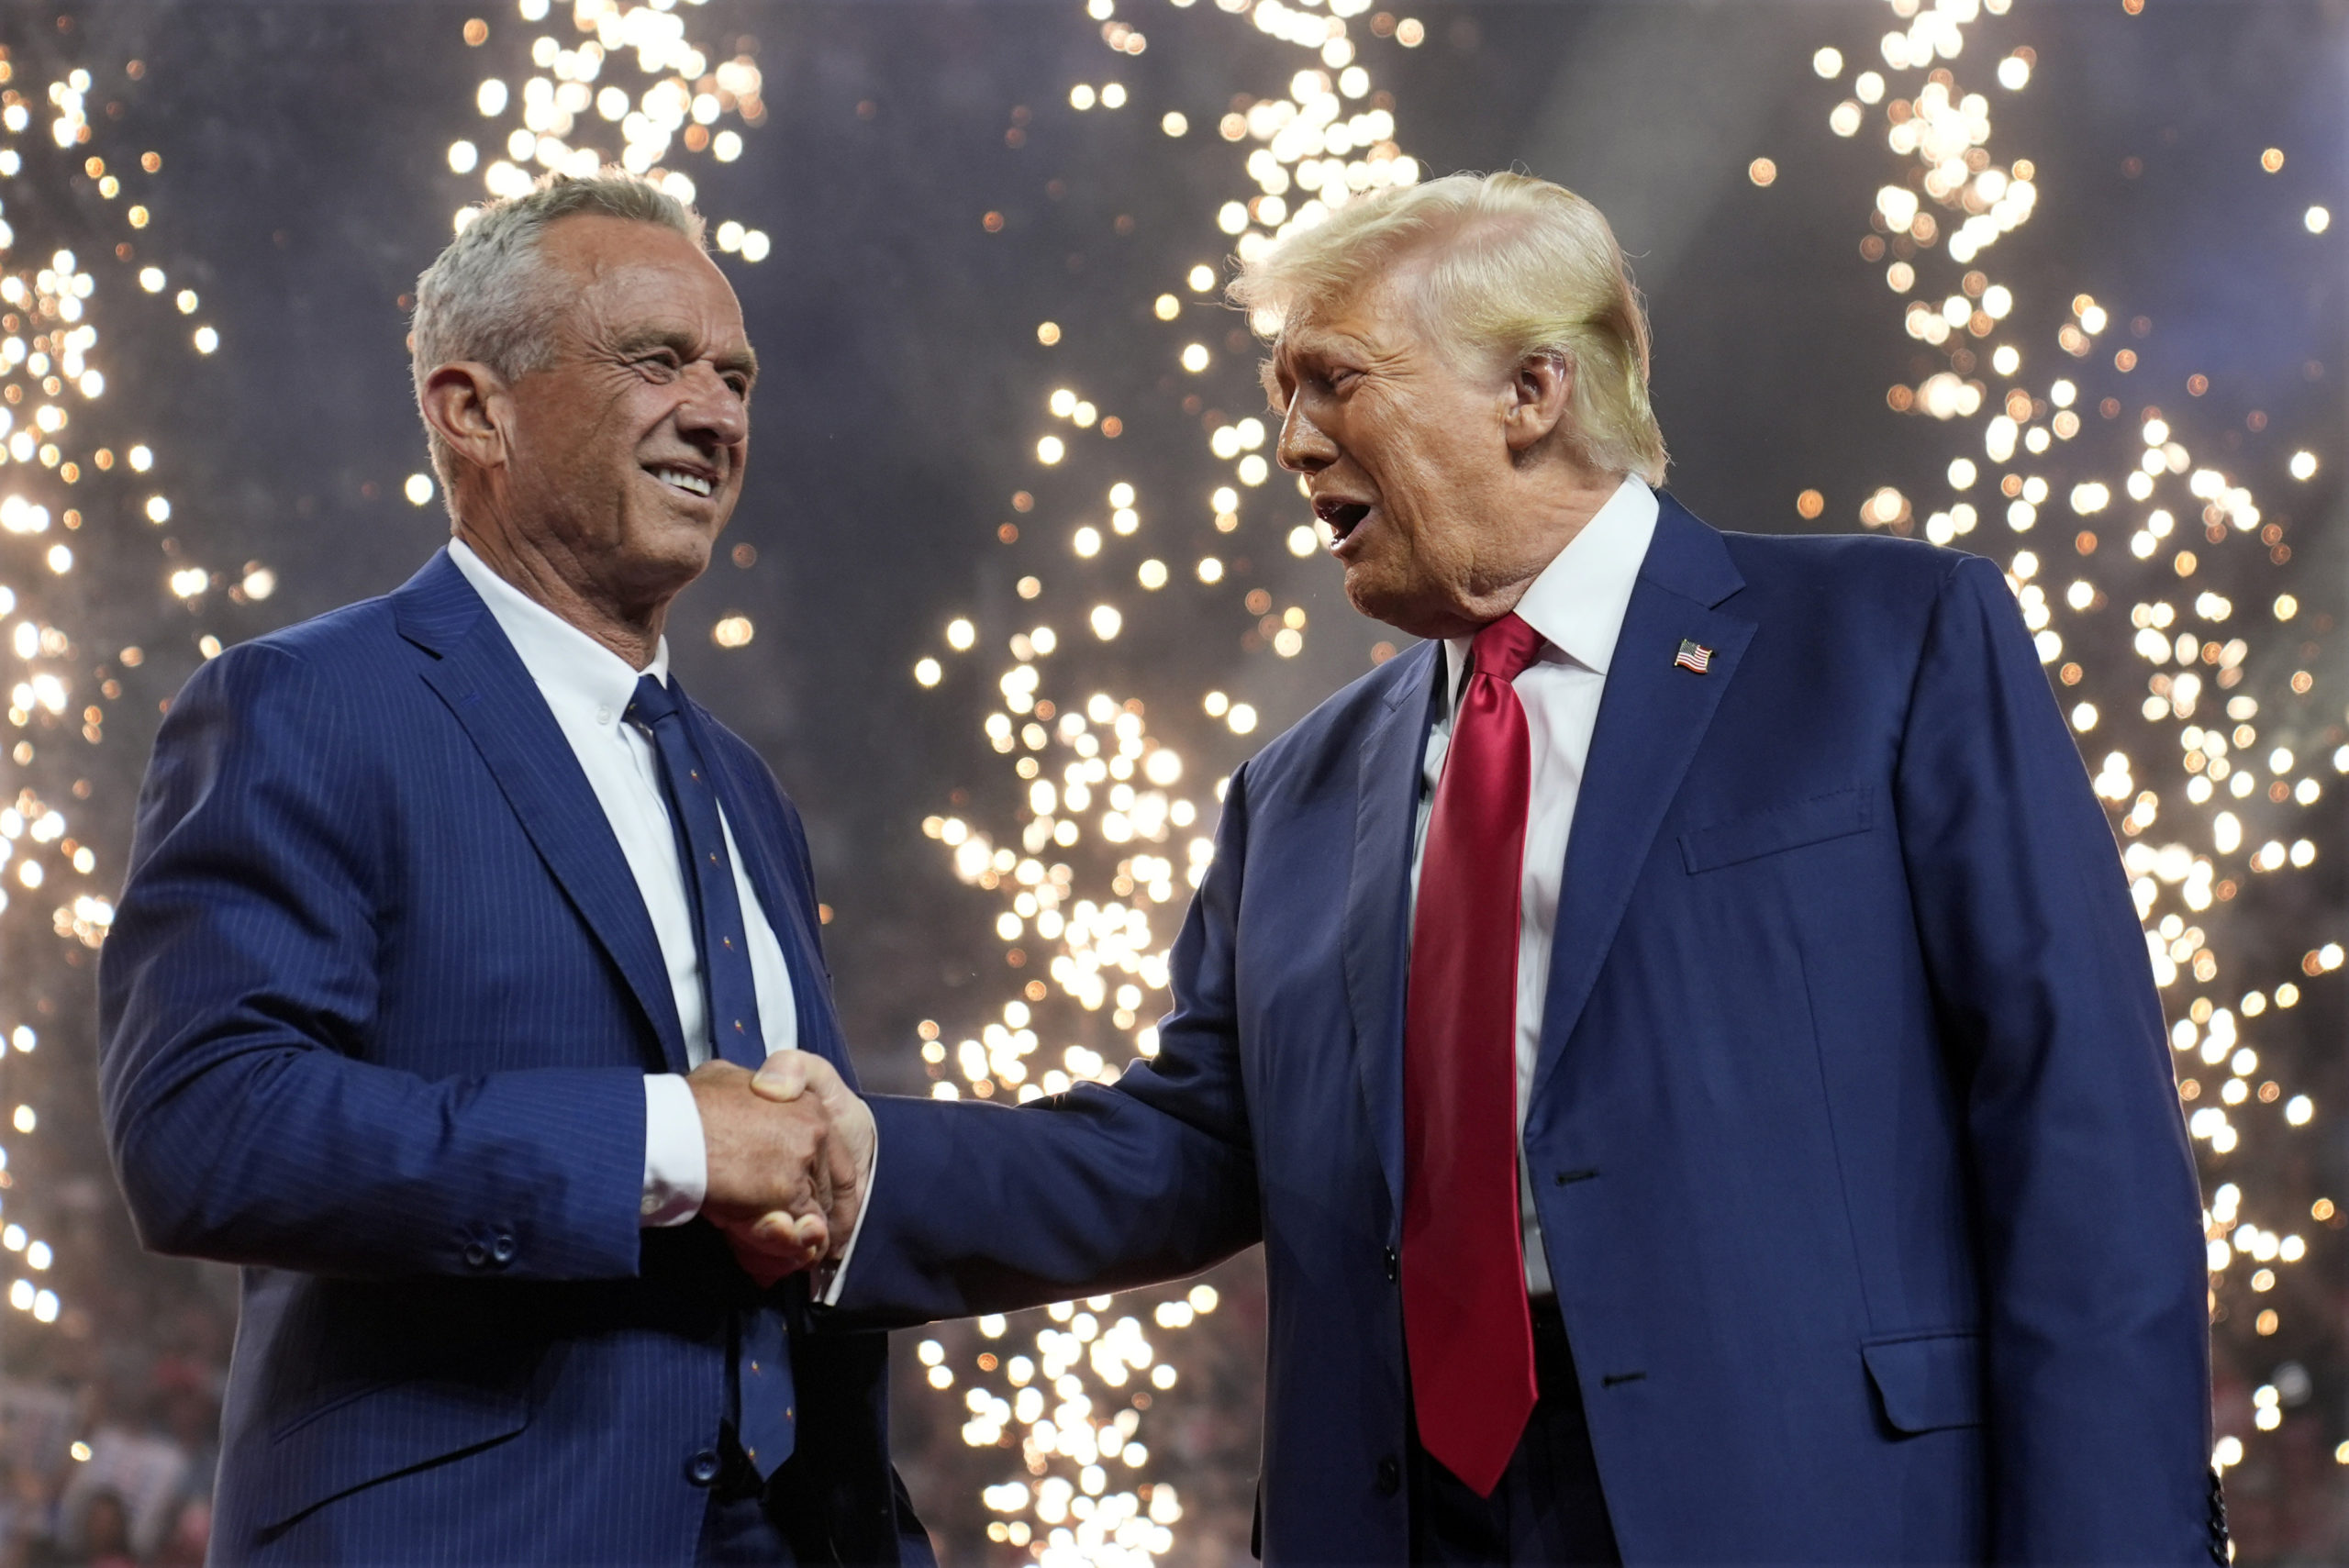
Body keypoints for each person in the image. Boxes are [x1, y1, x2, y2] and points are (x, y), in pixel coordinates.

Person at [775, 172, 2221, 1564]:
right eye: (1282, 392)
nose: (1290, 439)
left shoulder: (1889, 640)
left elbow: (2076, 1125)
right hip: (1413, 1518)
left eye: (1332, 379)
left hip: (1810, 1503)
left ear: (1531, 393)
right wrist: (857, 1166)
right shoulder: (1293, 792)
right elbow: (1189, 1150)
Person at [98, 172, 918, 1564]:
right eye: (656, 361)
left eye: (735, 376)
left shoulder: (749, 793)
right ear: (471, 408)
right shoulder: (304, 703)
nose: (716, 415)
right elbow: (205, 1126)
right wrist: (670, 1140)